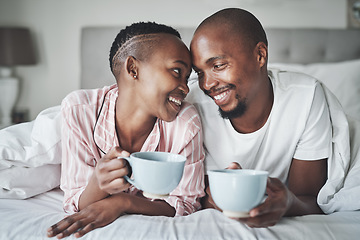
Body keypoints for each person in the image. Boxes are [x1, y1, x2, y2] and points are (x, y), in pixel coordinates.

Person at [47, 22, 205, 239]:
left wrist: (123, 202)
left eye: (187, 78)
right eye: (177, 71)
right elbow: (75, 201)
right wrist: (97, 184)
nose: (186, 87)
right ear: (133, 69)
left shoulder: (186, 124)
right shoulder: (79, 110)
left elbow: (186, 204)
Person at [187, 8, 331, 227]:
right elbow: (185, 197)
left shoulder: (306, 97)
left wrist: (288, 202)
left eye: (218, 66)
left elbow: (311, 200)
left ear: (260, 55)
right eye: (199, 73)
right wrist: (210, 199)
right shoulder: (192, 106)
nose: (207, 84)